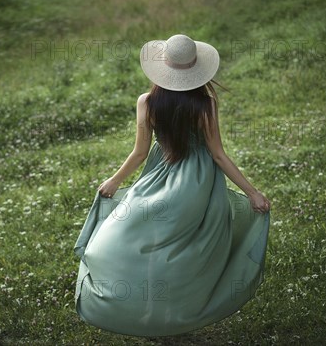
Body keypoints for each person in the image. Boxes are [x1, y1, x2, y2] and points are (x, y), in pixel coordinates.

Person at [73, 34, 271, 337]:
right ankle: (177, 310)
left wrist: (116, 180)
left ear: (162, 69)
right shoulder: (206, 104)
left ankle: (148, 310)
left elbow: (140, 152)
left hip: (157, 179)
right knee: (188, 247)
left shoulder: (148, 102)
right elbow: (218, 154)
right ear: (196, 71)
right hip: (198, 184)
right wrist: (251, 192)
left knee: (143, 237)